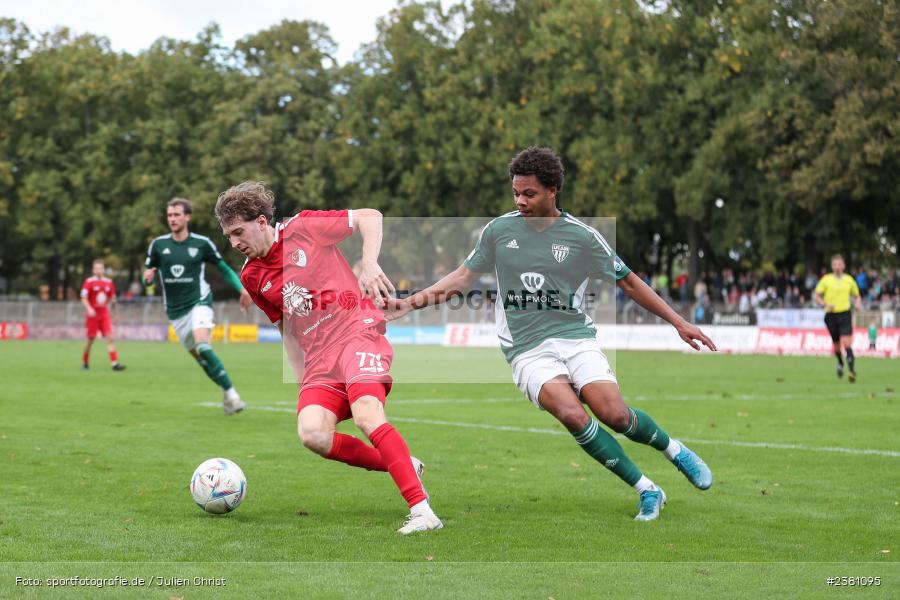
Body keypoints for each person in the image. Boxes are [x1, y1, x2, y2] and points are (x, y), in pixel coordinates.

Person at [387, 147, 715, 522]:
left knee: (614, 414)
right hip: (525, 347)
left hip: (575, 336)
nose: (520, 201)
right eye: (516, 193)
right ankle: (647, 489)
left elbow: (629, 283)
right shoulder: (499, 231)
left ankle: (675, 451)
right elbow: (462, 277)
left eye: (529, 194)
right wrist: (410, 303)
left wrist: (679, 322)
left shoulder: (583, 237)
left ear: (553, 190)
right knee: (573, 415)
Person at [214, 181, 442, 535]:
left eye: (238, 232)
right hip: (320, 360)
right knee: (313, 434)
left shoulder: (304, 228)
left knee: (368, 414)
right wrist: (301, 380)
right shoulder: (252, 276)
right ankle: (403, 464)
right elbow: (286, 329)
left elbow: (370, 216)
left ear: (261, 222)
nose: (234, 242)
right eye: (228, 236)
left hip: (357, 333)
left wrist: (368, 263)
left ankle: (422, 511)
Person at [143, 198, 252, 414]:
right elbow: (148, 276)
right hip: (175, 311)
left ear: (187, 217)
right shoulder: (158, 245)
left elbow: (223, 268)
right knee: (202, 359)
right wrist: (147, 279)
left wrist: (241, 288)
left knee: (203, 345)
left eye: (176, 215)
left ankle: (233, 395)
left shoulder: (201, 244)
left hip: (199, 301)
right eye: (169, 215)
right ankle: (226, 392)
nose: (172, 219)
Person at [814, 254, 862, 382]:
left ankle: (851, 371)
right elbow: (817, 296)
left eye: (839, 264)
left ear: (844, 266)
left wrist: (857, 304)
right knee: (836, 345)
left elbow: (857, 295)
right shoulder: (826, 280)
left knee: (847, 343)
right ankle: (840, 362)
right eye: (835, 264)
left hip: (845, 313)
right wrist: (824, 303)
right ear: (832, 266)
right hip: (830, 315)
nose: (837, 267)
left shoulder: (849, 280)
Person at [80, 259, 126, 371]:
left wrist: (117, 314)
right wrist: (89, 308)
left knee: (110, 338)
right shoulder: (89, 282)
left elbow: (113, 300)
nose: (99, 270)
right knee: (90, 339)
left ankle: (114, 363)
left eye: (100, 268)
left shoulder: (109, 282)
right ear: (93, 270)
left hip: (104, 314)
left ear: (104, 269)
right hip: (93, 315)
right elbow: (83, 298)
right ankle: (85, 363)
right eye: (96, 268)